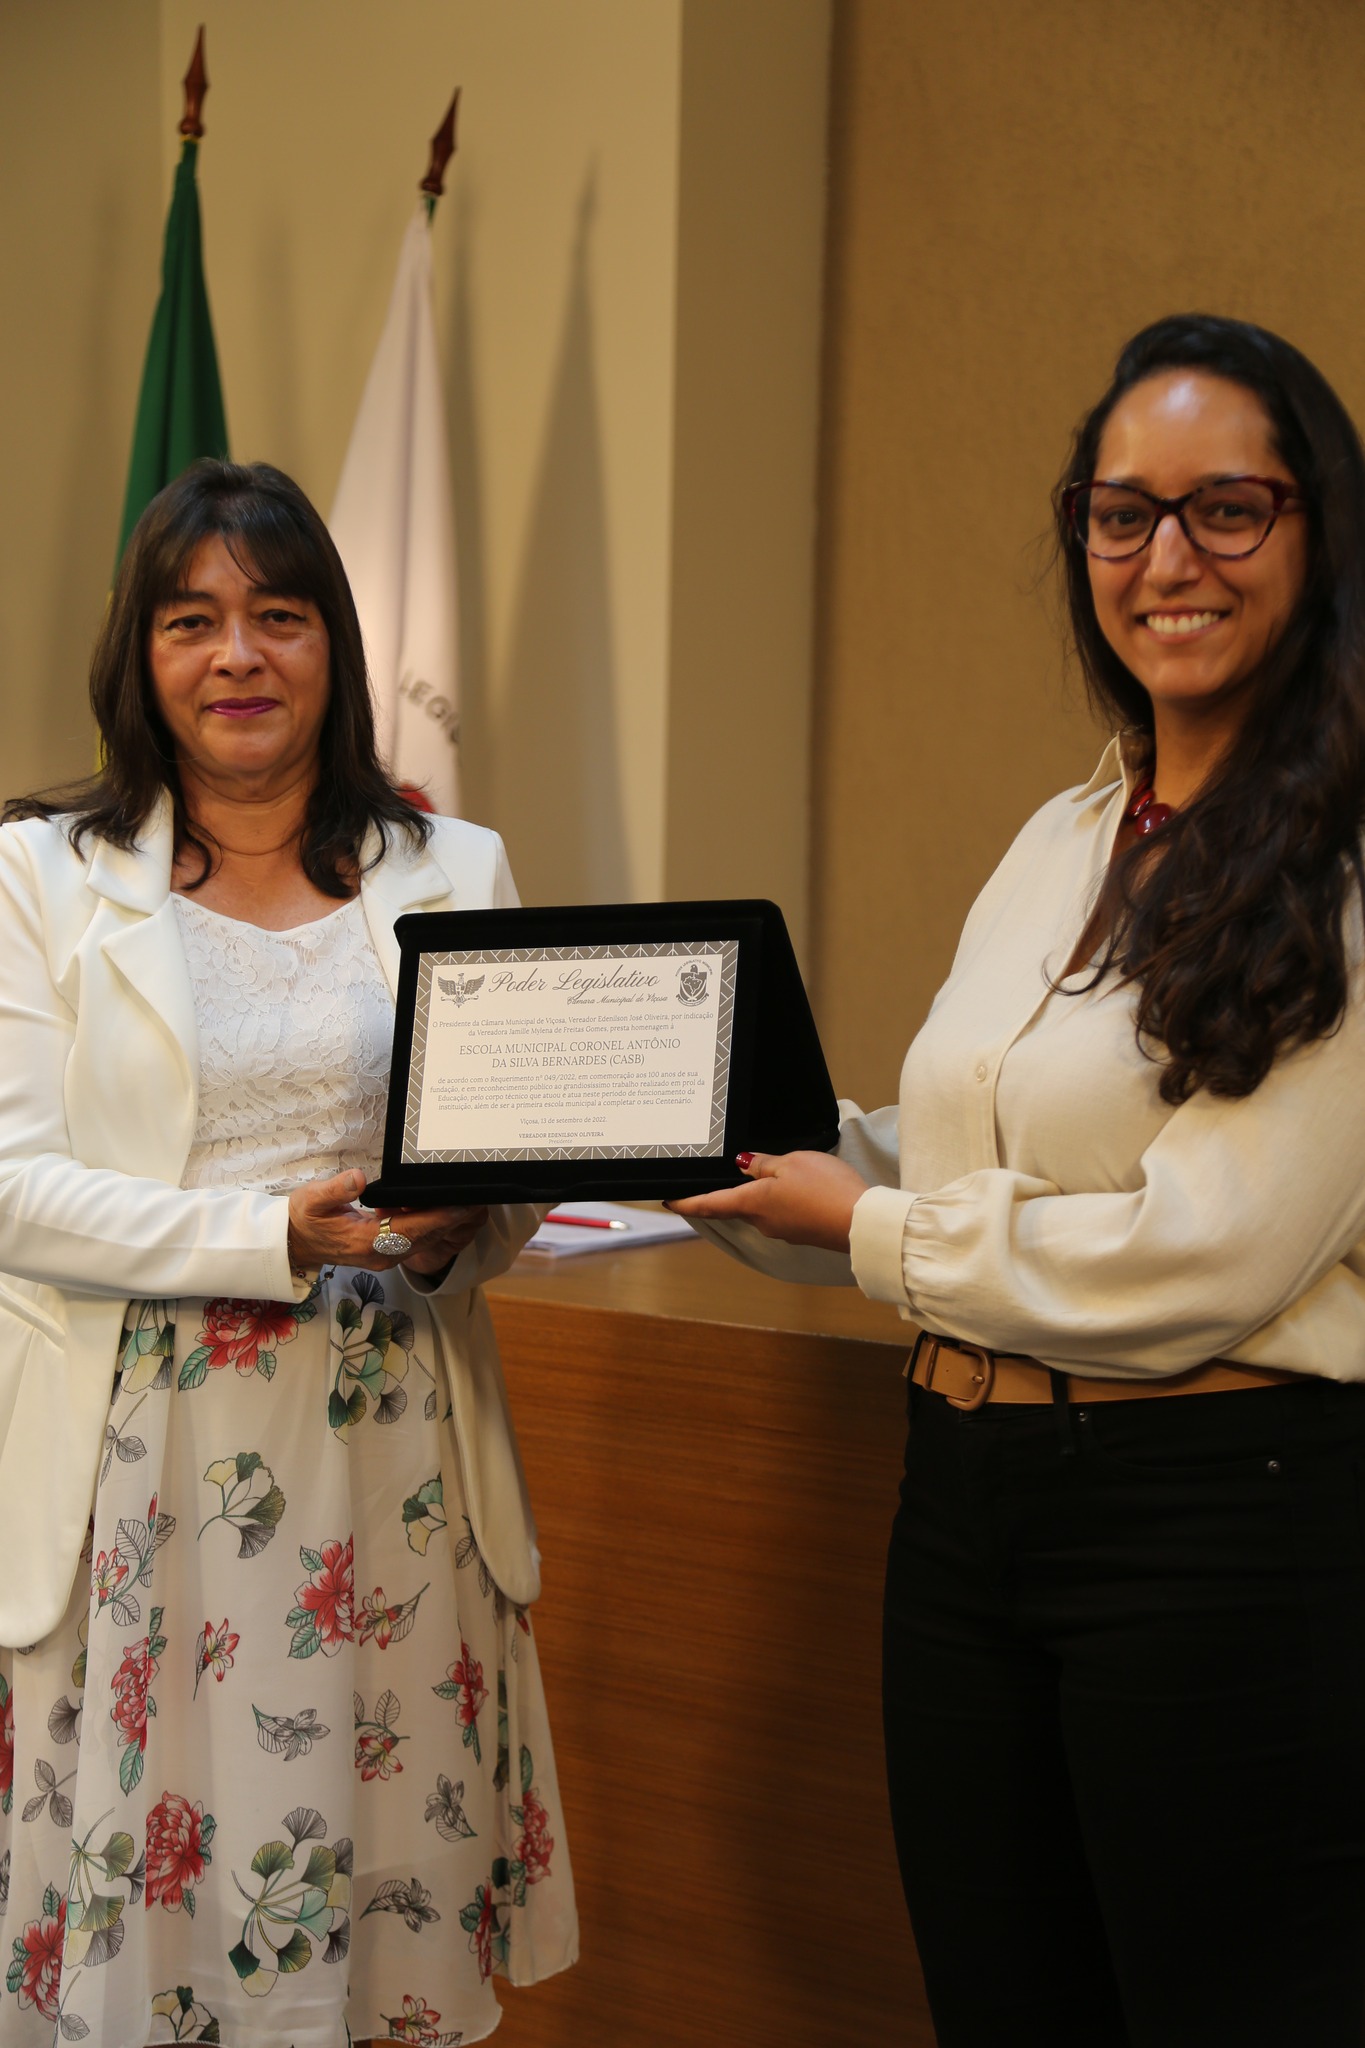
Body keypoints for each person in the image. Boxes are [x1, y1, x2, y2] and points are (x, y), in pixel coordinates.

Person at [672, 313, 1365, 2047]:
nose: (1164, 558)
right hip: (963, 1509)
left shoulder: (1345, 856)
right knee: (1003, 2011)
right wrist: (748, 1158)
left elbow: (1202, 1254)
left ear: (1318, 530)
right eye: (1119, 513)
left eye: (1227, 507)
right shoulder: (1066, 833)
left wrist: (870, 1225)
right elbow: (965, 1156)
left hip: (1220, 1519)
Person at [0, 461, 577, 2048]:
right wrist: (269, 1234)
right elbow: (10, 1187)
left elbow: (513, 1180)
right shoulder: (40, 873)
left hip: (393, 1447)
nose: (237, 655)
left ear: (334, 644)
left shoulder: (454, 865)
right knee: (164, 1907)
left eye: (279, 615)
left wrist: (469, 1227)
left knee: (376, 1900)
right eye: (193, 620)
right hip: (149, 1454)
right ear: (142, 652)